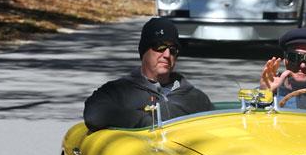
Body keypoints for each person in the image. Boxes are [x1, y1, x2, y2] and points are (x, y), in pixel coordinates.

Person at [83, 18, 213, 131]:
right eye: (160, 46)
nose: (167, 55)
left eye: (173, 49)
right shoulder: (119, 91)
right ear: (143, 51)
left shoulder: (195, 97)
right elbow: (94, 115)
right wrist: (146, 122)